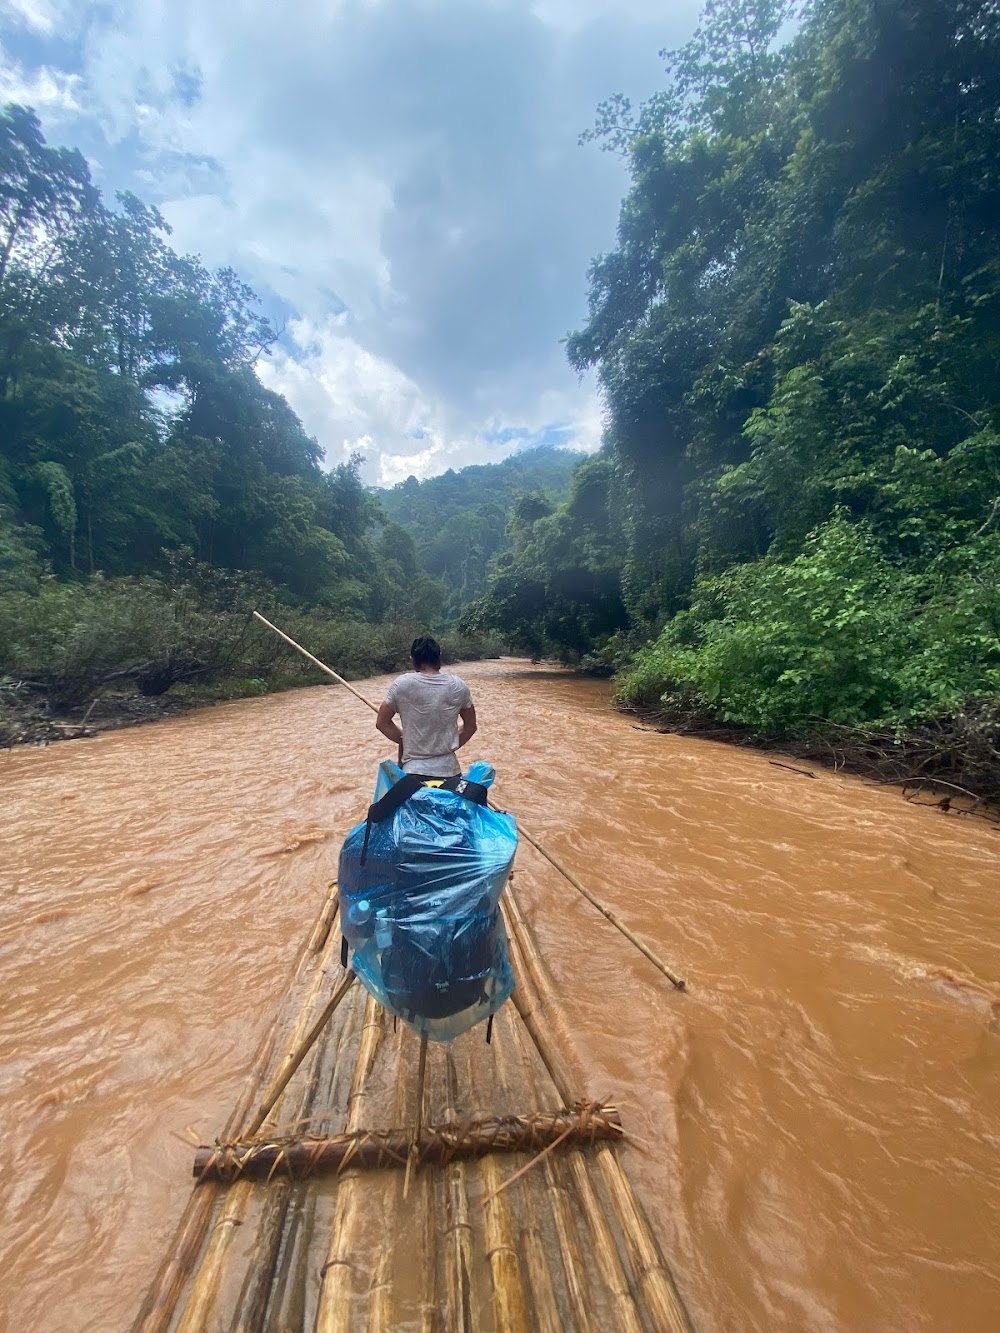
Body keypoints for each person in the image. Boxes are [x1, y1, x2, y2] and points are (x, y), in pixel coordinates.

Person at [376, 635, 477, 778]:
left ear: (412, 659)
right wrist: (446, 748)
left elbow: (382, 723)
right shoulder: (457, 685)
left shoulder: (402, 684)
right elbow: (471, 727)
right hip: (449, 770)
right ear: (439, 657)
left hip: (413, 772)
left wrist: (405, 740)